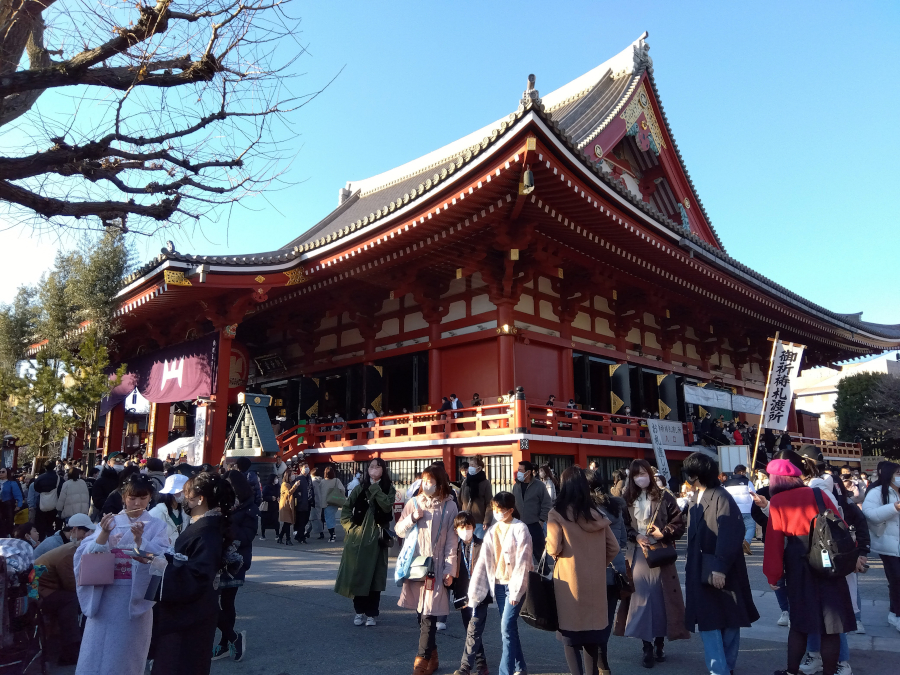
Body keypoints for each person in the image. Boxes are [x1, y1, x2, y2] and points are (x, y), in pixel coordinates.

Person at [763, 458, 855, 675]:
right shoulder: (817, 493)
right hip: (828, 558)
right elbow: (838, 523)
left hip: (798, 562)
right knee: (830, 626)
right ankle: (830, 672)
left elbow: (774, 543)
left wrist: (773, 575)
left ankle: (792, 671)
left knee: (799, 623)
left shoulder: (777, 501)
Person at [73, 474, 169, 675]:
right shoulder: (109, 521)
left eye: (142, 498)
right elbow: (82, 554)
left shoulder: (157, 526)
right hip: (105, 594)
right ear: (124, 497)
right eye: (132, 498)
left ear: (150, 498)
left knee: (127, 651)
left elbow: (160, 561)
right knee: (97, 646)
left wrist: (140, 542)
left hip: (134, 597)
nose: (137, 503)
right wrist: (103, 536)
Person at [152, 472, 236, 675]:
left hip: (191, 612)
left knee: (179, 663)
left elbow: (199, 576)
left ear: (200, 498)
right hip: (195, 608)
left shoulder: (206, 531)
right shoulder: (204, 525)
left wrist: (164, 566)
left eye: (187, 493)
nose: (183, 497)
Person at [682, 452, 759, 675]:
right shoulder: (700, 496)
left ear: (698, 475)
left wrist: (720, 567)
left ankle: (724, 668)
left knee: (728, 621)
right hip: (702, 568)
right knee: (711, 622)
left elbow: (730, 534)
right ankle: (721, 668)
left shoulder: (721, 497)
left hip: (720, 569)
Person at [614, 458, 689, 668]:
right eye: (635, 475)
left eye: (643, 473)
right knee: (640, 601)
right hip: (638, 554)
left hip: (660, 553)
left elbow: (679, 523)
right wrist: (636, 536)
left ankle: (659, 643)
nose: (640, 478)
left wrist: (663, 532)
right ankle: (646, 647)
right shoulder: (626, 498)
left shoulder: (665, 496)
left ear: (650, 473)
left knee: (661, 600)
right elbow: (625, 526)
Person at [546, 466, 620, 675]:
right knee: (592, 638)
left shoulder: (557, 513)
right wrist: (597, 565)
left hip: (569, 583)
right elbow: (613, 548)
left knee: (571, 638)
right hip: (596, 582)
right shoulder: (596, 514)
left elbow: (553, 547)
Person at [396, 464, 459, 674]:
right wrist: (412, 518)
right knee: (420, 613)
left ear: (440, 483)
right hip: (416, 565)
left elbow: (452, 540)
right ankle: (433, 656)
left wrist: (450, 568)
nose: (426, 484)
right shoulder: (413, 502)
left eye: (430, 481)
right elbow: (399, 530)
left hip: (437, 566)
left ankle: (421, 661)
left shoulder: (450, 507)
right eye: (424, 480)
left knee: (429, 615)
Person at [467, 492, 532, 675]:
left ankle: (505, 672)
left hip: (514, 586)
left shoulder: (521, 529)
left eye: (500, 509)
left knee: (506, 628)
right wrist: (475, 591)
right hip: (498, 584)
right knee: (509, 628)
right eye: (494, 508)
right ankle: (520, 667)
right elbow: (483, 562)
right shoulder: (493, 530)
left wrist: (516, 591)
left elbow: (524, 563)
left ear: (510, 510)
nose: (496, 512)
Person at [334, 458, 397, 627]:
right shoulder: (359, 488)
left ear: (383, 470)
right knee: (358, 576)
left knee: (374, 578)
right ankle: (359, 611)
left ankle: (372, 613)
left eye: (377, 466)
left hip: (377, 539)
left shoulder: (388, 489)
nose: (374, 469)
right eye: (371, 466)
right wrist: (350, 527)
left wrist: (375, 488)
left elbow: (386, 506)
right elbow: (346, 508)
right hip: (358, 537)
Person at [36, 519, 95, 665]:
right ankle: (70, 650)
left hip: (45, 587)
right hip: (38, 591)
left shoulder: (72, 548)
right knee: (71, 600)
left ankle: (72, 646)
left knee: (71, 600)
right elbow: (71, 585)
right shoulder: (69, 554)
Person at [213, 470, 258, 661]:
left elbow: (247, 536)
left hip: (235, 562)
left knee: (227, 603)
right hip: (215, 558)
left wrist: (226, 522)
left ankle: (225, 642)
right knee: (210, 602)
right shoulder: (221, 504)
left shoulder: (249, 508)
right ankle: (232, 637)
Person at [587, 470, 628, 672]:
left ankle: (596, 663)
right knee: (606, 620)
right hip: (615, 570)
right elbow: (620, 541)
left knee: (590, 621)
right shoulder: (615, 505)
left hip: (592, 572)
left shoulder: (585, 509)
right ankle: (603, 664)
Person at [861, 460, 900, 632]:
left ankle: (894, 610)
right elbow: (870, 515)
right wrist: (894, 508)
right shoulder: (877, 492)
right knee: (897, 580)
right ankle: (897, 614)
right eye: (897, 474)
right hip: (888, 545)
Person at [450, 511, 491, 675]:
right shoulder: (454, 548)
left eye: (468, 526)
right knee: (471, 631)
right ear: (456, 530)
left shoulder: (482, 545)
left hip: (480, 596)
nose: (465, 530)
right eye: (461, 527)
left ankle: (465, 667)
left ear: (474, 527)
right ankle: (482, 665)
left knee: (473, 629)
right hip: (463, 596)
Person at [512, 460, 550, 562]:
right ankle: (526, 575)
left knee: (539, 554)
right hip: (519, 525)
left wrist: (542, 520)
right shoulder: (516, 486)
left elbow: (546, 504)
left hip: (535, 524)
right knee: (520, 554)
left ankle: (546, 575)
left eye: (520, 470)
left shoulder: (539, 486)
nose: (518, 472)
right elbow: (513, 504)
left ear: (528, 472)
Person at [722, 464, 757, 555]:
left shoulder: (727, 484)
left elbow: (724, 497)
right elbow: (754, 496)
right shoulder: (747, 482)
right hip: (747, 509)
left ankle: (734, 546)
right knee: (750, 527)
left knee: (734, 528)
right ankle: (746, 542)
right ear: (743, 472)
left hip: (733, 510)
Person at [149, 473, 188, 547]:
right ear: (173, 493)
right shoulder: (155, 514)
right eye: (184, 491)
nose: (187, 494)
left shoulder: (184, 510)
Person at [460, 456, 493, 539]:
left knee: (478, 546)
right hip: (465, 521)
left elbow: (489, 503)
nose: (470, 467)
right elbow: (460, 500)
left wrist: (487, 520)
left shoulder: (485, 483)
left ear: (479, 468)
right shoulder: (466, 482)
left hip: (479, 522)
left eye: (473, 465)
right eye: (469, 465)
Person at [33, 459, 62, 538]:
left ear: (45, 467)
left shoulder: (40, 478)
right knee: (50, 524)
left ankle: (40, 540)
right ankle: (50, 539)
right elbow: (60, 490)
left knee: (40, 524)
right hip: (54, 503)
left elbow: (36, 488)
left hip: (41, 502)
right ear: (54, 467)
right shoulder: (58, 478)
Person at [319, 465, 345, 542]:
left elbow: (319, 492)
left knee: (329, 519)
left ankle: (332, 535)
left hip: (326, 503)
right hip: (335, 502)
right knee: (331, 517)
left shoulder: (322, 482)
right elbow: (342, 489)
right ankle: (332, 534)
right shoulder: (337, 480)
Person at [292, 461, 316, 543]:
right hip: (301, 503)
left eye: (307, 466)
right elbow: (295, 491)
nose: (307, 468)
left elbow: (311, 489)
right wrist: (300, 498)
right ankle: (301, 537)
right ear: (301, 468)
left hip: (308, 502)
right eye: (305, 467)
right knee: (301, 520)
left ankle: (298, 535)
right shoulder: (299, 478)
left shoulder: (309, 477)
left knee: (306, 520)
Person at [0, 466, 26, 537]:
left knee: (9, 521)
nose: (1, 473)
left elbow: (18, 495)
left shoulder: (12, 483)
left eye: (3, 472)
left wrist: (19, 505)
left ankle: (8, 535)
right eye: (0, 472)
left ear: (7, 473)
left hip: (8, 505)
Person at [277, 468, 299, 545]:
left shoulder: (289, 484)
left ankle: (280, 537)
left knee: (287, 523)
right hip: (285, 506)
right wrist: (295, 486)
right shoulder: (284, 484)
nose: (293, 476)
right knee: (287, 522)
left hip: (288, 505)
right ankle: (288, 539)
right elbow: (289, 493)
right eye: (292, 474)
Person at [260, 474, 280, 540]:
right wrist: (270, 498)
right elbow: (263, 496)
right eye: (275, 478)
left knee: (276, 520)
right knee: (264, 521)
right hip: (267, 507)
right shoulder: (267, 487)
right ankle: (263, 535)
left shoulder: (278, 486)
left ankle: (277, 534)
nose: (276, 480)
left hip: (275, 506)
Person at [310, 465, 325, 539]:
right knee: (315, 517)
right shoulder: (322, 481)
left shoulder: (314, 482)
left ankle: (320, 532)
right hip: (322, 501)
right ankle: (308, 532)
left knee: (314, 517)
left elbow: (315, 493)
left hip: (315, 501)